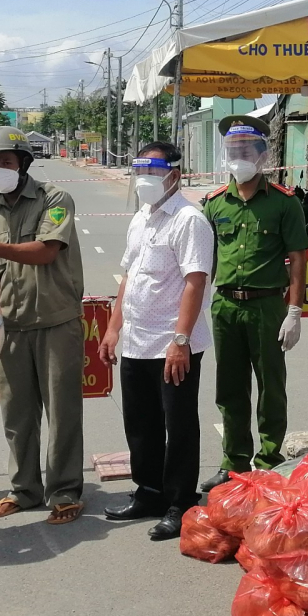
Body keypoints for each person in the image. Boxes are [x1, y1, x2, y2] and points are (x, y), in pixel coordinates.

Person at [0, 125, 86, 524]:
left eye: (7, 162)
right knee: (17, 415)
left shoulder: (55, 199)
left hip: (56, 322)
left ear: (24, 163)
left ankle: (64, 490)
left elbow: (47, 252)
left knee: (62, 413)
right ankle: (24, 489)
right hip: (9, 326)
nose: (0, 169)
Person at [99, 141, 213, 540]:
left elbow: (195, 282)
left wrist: (180, 339)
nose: (144, 180)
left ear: (174, 175)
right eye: (140, 172)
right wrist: (113, 328)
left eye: (153, 172)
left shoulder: (189, 220)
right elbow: (128, 278)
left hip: (172, 343)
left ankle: (181, 502)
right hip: (136, 339)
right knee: (141, 423)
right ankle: (149, 492)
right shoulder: (141, 219)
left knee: (178, 424)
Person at [200, 115, 308, 489]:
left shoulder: (283, 203)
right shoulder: (214, 204)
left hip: (267, 306)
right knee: (229, 388)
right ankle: (234, 461)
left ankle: (269, 460)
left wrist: (294, 310)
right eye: (232, 150)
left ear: (262, 155)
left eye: (246, 150)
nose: (238, 157)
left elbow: (298, 257)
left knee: (271, 386)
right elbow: (205, 260)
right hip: (225, 306)